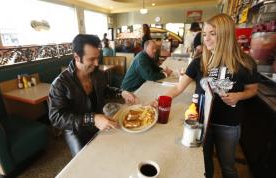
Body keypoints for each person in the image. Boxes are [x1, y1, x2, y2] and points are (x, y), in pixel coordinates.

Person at [153, 14, 259, 178]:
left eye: (212, 33)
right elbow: (179, 87)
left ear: (226, 35)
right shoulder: (199, 61)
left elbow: (252, 89)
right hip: (201, 123)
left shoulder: (245, 63)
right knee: (204, 164)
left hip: (229, 125)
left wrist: (238, 96)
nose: (206, 39)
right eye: (204, 34)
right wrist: (159, 100)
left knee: (228, 167)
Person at [48, 34, 137, 157]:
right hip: (76, 130)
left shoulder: (97, 73)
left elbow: (105, 89)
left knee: (117, 150)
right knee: (85, 161)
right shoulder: (60, 83)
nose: (96, 64)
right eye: (91, 59)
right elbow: (56, 117)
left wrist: (121, 92)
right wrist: (92, 119)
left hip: (100, 120)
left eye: (97, 58)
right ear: (77, 57)